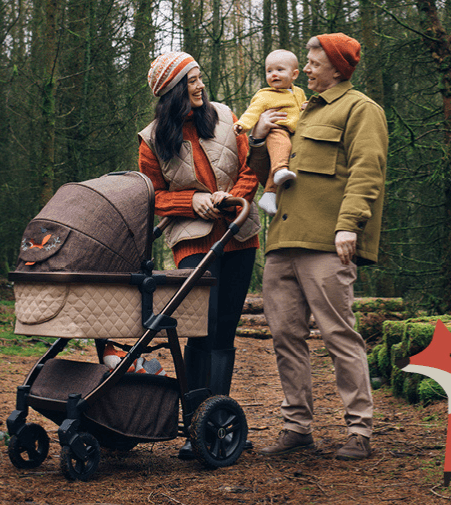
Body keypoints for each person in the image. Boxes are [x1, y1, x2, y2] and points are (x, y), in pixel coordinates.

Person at [247, 33, 387, 461]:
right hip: (282, 242)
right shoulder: (299, 110)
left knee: (338, 334)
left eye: (313, 62)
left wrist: (349, 227)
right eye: (306, 62)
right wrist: (258, 137)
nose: (305, 69)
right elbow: (262, 174)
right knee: (285, 336)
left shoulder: (361, 109)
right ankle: (297, 428)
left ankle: (359, 431)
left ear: (337, 67)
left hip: (327, 242)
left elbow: (368, 171)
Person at [138, 52, 261, 459]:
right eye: (191, 80)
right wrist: (193, 201)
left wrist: (232, 198)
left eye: (200, 78)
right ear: (172, 90)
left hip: (239, 234)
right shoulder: (152, 139)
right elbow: (153, 195)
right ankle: (195, 425)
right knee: (198, 328)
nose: (200, 86)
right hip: (193, 242)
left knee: (225, 327)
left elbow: (250, 166)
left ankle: (217, 424)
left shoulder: (226, 116)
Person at [233, 49, 307, 216]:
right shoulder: (265, 95)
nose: (274, 74)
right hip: (276, 129)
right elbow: (252, 112)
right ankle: (280, 170)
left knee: (286, 151)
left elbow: (302, 107)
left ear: (294, 74)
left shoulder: (299, 92)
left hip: (293, 132)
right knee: (282, 146)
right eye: (269, 71)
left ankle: (269, 194)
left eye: (280, 70)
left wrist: (307, 107)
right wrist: (242, 125)